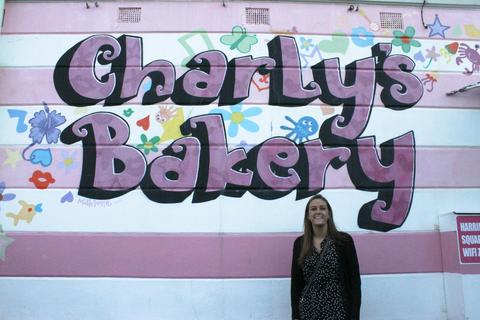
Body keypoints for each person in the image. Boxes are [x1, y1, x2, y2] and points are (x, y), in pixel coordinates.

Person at [290, 194, 361, 320]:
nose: (318, 211)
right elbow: (296, 284)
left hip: (338, 312)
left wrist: (354, 315)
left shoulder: (344, 241)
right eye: (313, 209)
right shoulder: (300, 244)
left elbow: (354, 281)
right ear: (308, 216)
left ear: (328, 214)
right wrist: (295, 316)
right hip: (309, 313)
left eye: (322, 208)